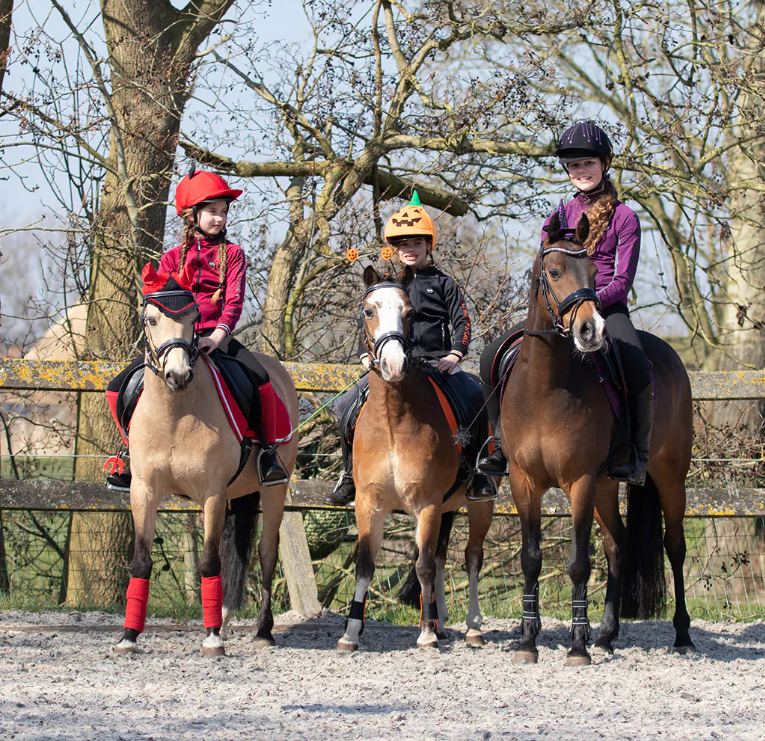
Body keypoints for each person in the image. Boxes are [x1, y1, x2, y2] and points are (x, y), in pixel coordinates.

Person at [478, 121, 652, 486]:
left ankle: (636, 453)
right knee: (490, 355)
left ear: (604, 164)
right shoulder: (557, 217)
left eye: (587, 163)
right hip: (558, 312)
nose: (581, 171)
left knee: (637, 363)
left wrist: (587, 303)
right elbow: (542, 273)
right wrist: (562, 307)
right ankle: (498, 445)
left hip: (605, 306)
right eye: (574, 166)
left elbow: (622, 280)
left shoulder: (625, 217)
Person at [105, 166, 288, 490]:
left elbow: (233, 301)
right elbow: (158, 305)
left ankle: (269, 454)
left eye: (222, 212)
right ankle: (129, 453)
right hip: (175, 342)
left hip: (216, 338)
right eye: (211, 211)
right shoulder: (172, 258)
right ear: (193, 215)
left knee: (260, 378)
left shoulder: (233, 254)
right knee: (117, 386)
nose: (218, 218)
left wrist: (217, 336)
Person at [325, 192, 496, 505]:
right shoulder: (387, 284)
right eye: (404, 244)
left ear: (428, 245)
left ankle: (478, 474)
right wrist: (365, 354)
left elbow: (463, 323)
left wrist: (455, 354)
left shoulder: (445, 283)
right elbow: (367, 323)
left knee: (477, 397)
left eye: (417, 243)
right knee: (345, 405)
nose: (410, 250)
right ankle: (349, 474)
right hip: (389, 366)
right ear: (395, 248)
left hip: (435, 364)